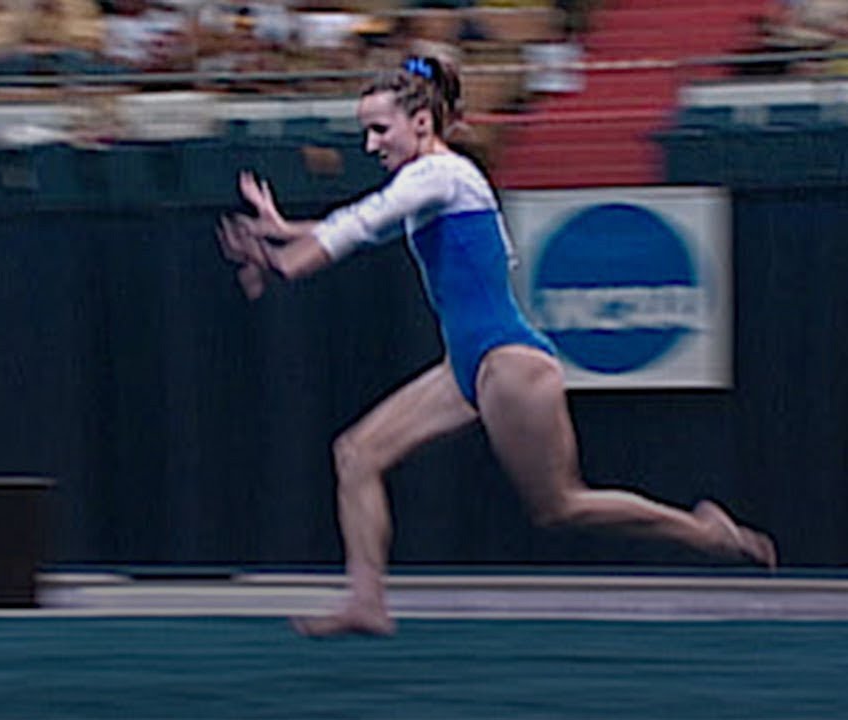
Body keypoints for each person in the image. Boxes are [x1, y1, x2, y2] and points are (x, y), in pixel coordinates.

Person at [216, 54, 777, 639]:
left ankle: (709, 532)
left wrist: (282, 262)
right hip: (467, 364)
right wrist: (284, 230)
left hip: (509, 362)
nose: (369, 143)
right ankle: (367, 601)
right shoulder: (422, 184)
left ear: (423, 124)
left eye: (379, 129)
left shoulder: (444, 175)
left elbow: (358, 225)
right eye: (365, 130)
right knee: (356, 455)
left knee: (561, 505)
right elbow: (366, 220)